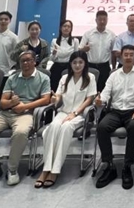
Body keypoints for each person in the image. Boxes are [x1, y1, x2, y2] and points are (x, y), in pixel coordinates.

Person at [0, 50, 50, 187]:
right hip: (6, 114)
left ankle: (12, 169)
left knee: (20, 133)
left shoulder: (43, 78)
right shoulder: (12, 78)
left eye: (28, 60)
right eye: (22, 61)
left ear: (34, 62)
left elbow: (46, 99)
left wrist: (24, 107)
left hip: (26, 114)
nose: (25, 63)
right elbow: (2, 102)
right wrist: (11, 103)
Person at [36, 51, 96, 188]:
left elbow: (89, 99)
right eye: (74, 62)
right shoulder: (64, 78)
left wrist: (75, 113)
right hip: (63, 112)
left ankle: (55, 171)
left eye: (80, 62)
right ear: (70, 64)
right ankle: (46, 169)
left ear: (85, 63)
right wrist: (54, 99)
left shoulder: (90, 77)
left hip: (80, 114)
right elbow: (58, 97)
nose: (77, 65)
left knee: (66, 127)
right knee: (53, 127)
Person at [95, 45, 134, 190]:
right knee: (101, 127)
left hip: (133, 112)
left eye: (131, 55)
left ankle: (127, 166)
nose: (128, 57)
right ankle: (109, 165)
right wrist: (101, 100)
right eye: (125, 54)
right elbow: (106, 92)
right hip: (115, 112)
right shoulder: (114, 75)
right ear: (120, 57)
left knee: (133, 127)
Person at [80, 10, 116, 92]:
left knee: (103, 90)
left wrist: (114, 67)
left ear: (107, 20)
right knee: (89, 90)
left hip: (105, 67)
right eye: (100, 19)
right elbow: (79, 49)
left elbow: (113, 52)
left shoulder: (111, 35)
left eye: (104, 19)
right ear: (96, 20)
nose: (102, 21)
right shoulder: (88, 34)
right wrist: (84, 49)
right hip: (90, 66)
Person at [49, 19, 79, 92]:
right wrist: (54, 53)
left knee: (68, 88)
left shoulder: (75, 41)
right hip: (57, 67)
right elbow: (52, 59)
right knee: (55, 88)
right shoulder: (54, 41)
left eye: (69, 26)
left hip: (69, 67)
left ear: (71, 29)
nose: (66, 28)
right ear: (60, 28)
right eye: (64, 26)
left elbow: (76, 57)